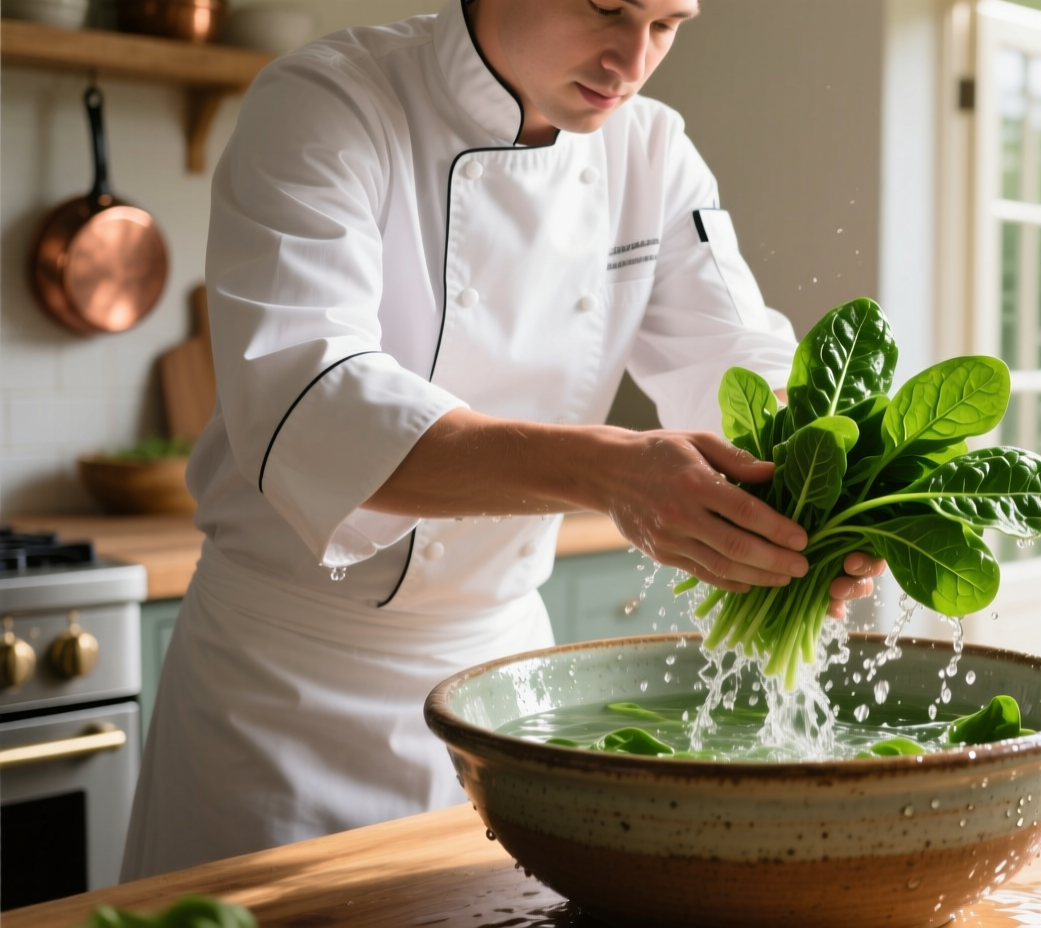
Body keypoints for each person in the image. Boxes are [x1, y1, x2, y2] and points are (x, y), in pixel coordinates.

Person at [122, 0, 883, 879]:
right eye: (607, 7)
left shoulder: (653, 154)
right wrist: (609, 472)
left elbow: (740, 367)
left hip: (504, 697)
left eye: (669, 25)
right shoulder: (329, 102)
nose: (631, 59)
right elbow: (312, 405)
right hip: (282, 700)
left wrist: (821, 495)